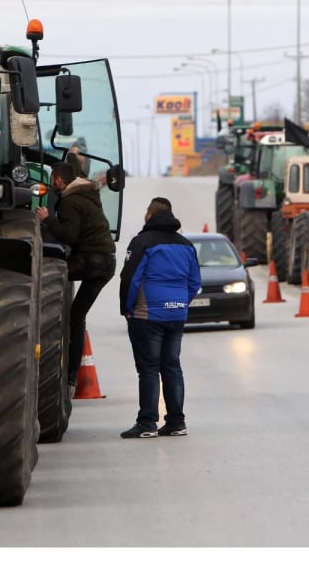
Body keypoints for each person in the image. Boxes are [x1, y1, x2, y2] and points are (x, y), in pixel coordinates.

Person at [118, 197, 201, 438]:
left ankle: (147, 423)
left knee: (149, 368)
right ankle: (176, 422)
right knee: (172, 367)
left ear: (149, 215)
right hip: (176, 314)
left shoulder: (142, 242)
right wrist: (179, 303)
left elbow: (130, 279)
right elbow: (195, 281)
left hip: (147, 314)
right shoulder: (186, 245)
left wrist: (127, 308)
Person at [35, 162, 116, 394]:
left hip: (90, 261)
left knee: (44, 275)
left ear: (60, 181)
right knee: (77, 315)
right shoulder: (88, 194)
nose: (51, 184)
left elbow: (69, 236)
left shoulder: (70, 202)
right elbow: (74, 172)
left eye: (52, 179)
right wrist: (72, 156)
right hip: (107, 263)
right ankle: (71, 377)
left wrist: (47, 219)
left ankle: (46, 328)